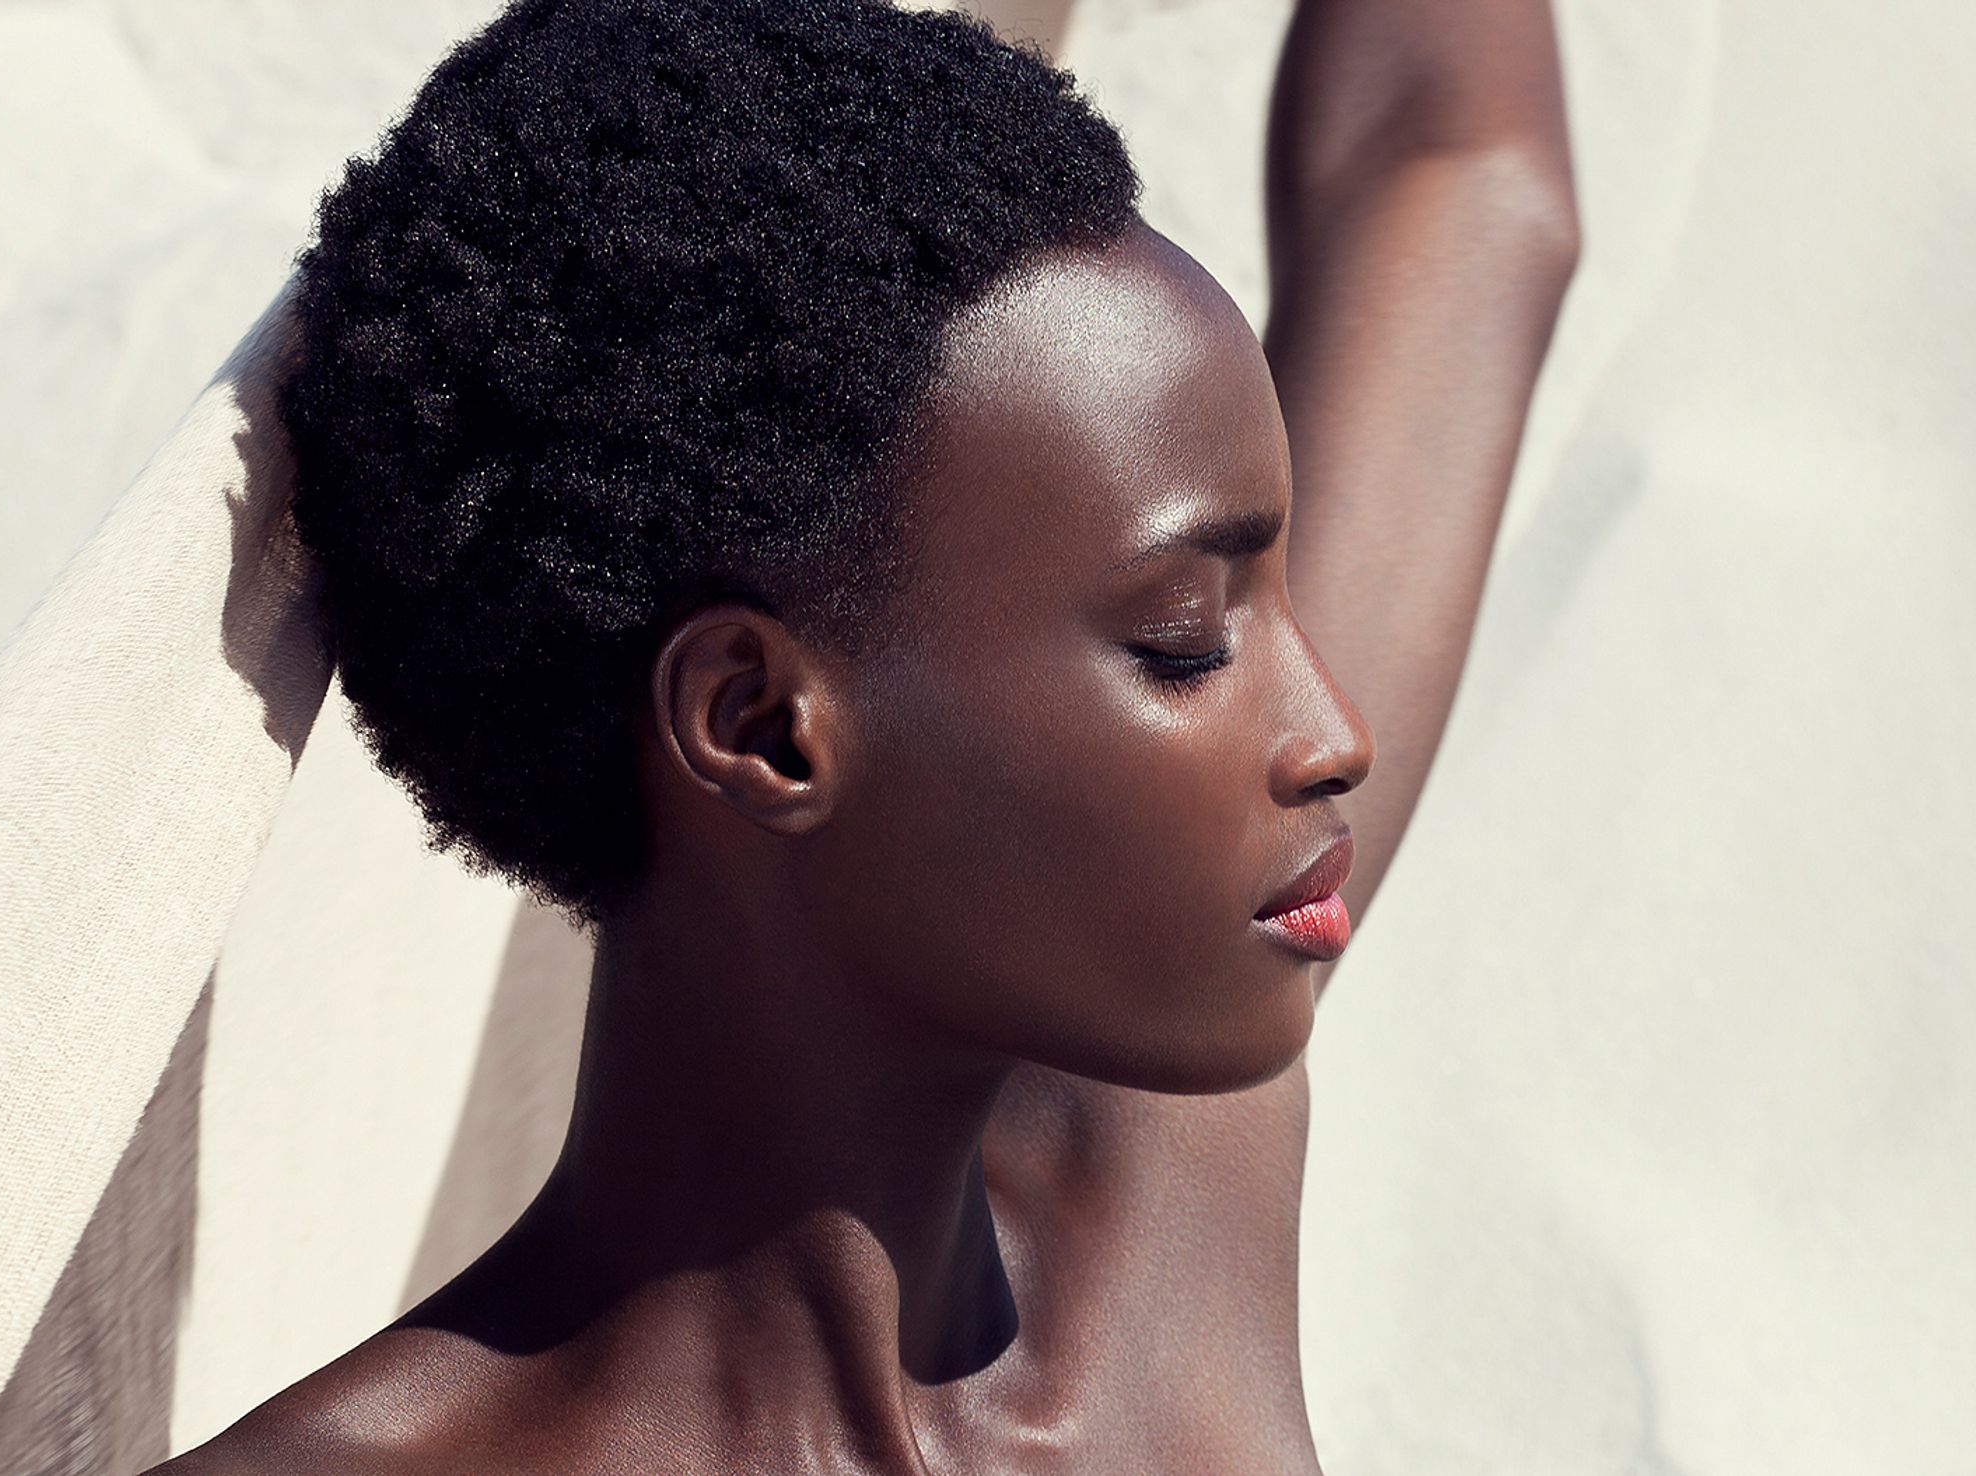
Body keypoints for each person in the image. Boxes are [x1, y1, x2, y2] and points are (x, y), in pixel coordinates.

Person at [155, 0, 1574, 1469]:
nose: (1336, 731)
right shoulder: (1157, 1229)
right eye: (1183, 643)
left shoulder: (1159, 1189)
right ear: (761, 728)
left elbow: (1462, 179)